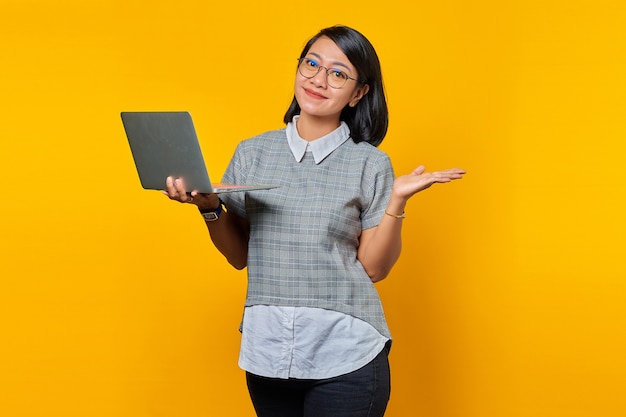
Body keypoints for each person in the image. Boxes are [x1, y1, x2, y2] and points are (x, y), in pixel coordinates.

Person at [164, 25, 464, 417]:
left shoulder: (370, 163)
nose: (319, 80)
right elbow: (239, 255)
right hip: (268, 349)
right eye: (312, 64)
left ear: (359, 93)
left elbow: (374, 268)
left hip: (347, 350)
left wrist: (397, 199)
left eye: (338, 73)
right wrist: (208, 207)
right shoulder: (252, 152)